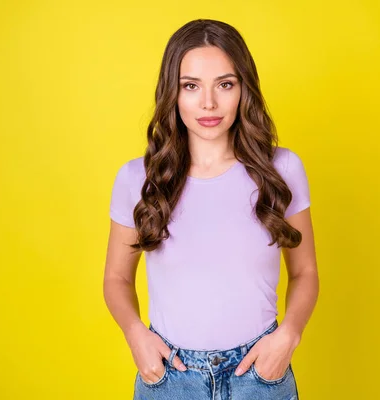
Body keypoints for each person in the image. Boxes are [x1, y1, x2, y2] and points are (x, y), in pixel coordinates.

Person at [104, 18, 319, 400]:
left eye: (225, 84)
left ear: (243, 89)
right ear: (173, 93)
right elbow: (117, 279)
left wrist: (289, 335)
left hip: (260, 375)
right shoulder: (138, 179)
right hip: (171, 378)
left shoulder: (282, 170)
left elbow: (304, 271)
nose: (208, 103)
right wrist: (135, 334)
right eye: (191, 86)